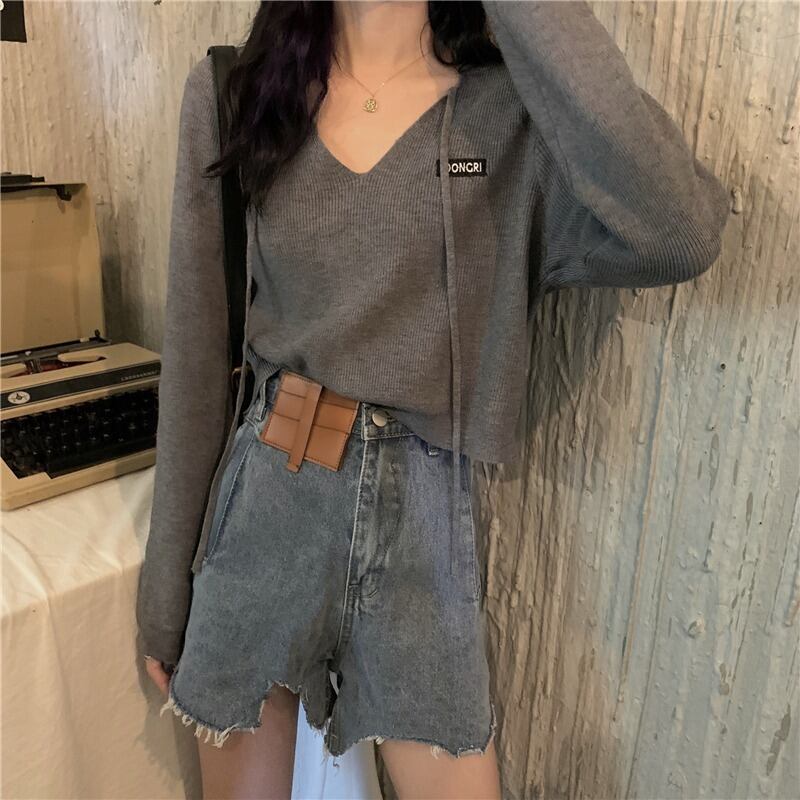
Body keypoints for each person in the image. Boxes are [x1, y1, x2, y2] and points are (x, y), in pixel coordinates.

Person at [136, 1, 730, 798]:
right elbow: (198, 352)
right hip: (266, 506)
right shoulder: (237, 93)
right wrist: (166, 593)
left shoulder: (510, 118)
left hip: (421, 527)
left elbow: (680, 231)